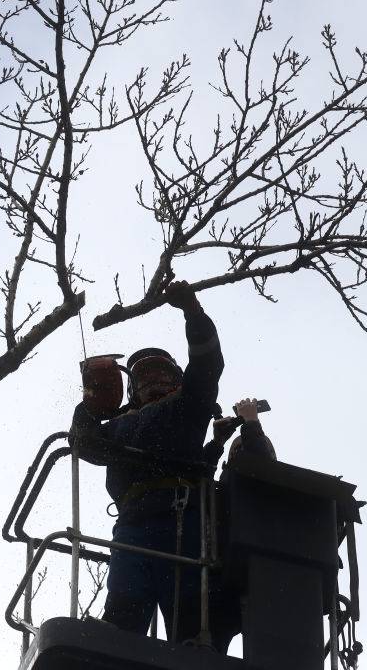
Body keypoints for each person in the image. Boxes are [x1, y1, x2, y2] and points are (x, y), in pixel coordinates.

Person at [70, 280, 224, 644]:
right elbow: (86, 447)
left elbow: (207, 364)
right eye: (144, 377)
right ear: (131, 389)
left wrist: (193, 311)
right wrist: (90, 405)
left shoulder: (188, 407)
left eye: (162, 374)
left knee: (188, 604)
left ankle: (195, 642)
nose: (153, 380)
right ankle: (116, 642)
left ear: (176, 381)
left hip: (182, 519)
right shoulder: (120, 425)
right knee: (125, 601)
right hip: (133, 521)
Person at [206, 397, 277, 654]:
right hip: (225, 573)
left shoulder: (267, 482)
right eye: (236, 451)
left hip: (252, 572)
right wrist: (218, 442)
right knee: (215, 641)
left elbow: (260, 463)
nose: (240, 453)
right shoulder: (222, 486)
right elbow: (199, 471)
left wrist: (250, 423)